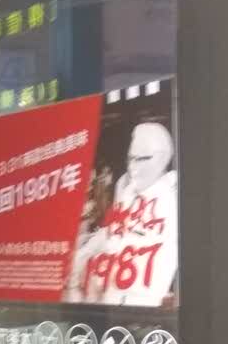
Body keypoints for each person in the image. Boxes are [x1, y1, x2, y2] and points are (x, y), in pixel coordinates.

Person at [68, 121, 177, 308]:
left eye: (142, 159)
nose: (133, 167)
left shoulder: (172, 197)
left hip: (142, 303)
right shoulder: (125, 189)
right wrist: (81, 256)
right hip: (107, 298)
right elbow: (110, 231)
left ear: (162, 159)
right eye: (130, 159)